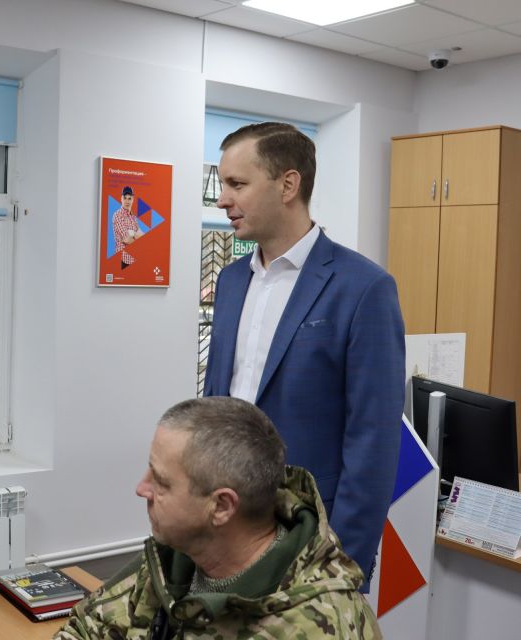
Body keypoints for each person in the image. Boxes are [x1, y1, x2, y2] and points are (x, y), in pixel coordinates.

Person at [203, 122, 405, 587]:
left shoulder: (363, 288)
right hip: (226, 524)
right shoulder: (231, 281)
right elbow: (217, 404)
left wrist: (344, 565)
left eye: (237, 184)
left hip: (312, 536)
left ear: (288, 185)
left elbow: (373, 441)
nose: (222, 199)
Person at [55, 397, 382, 640]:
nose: (142, 489)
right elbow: (84, 628)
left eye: (161, 482)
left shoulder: (315, 625)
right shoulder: (174, 559)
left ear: (222, 506)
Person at [112, 185, 143, 268]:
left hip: (134, 259)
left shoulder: (133, 217)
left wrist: (132, 234)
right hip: (123, 261)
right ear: (121, 198)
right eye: (125, 198)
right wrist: (135, 235)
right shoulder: (118, 215)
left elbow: (142, 236)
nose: (127, 201)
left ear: (132, 199)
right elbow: (127, 239)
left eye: (129, 198)